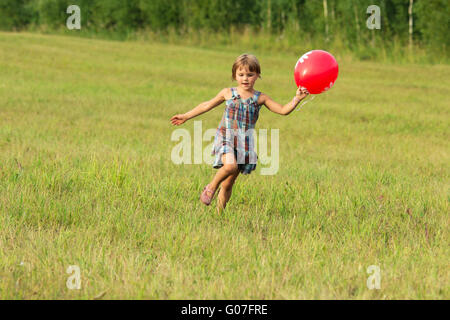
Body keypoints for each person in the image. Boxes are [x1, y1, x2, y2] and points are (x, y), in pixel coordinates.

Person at [170, 53, 309, 213]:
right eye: (241, 74)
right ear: (234, 75)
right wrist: (186, 116)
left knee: (228, 184)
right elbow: (206, 105)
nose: (245, 79)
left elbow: (283, 111)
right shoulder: (227, 93)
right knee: (230, 166)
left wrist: (297, 99)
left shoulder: (260, 98)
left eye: (250, 75)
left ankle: (219, 214)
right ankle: (210, 187)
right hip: (225, 138)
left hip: (244, 144)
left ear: (257, 75)